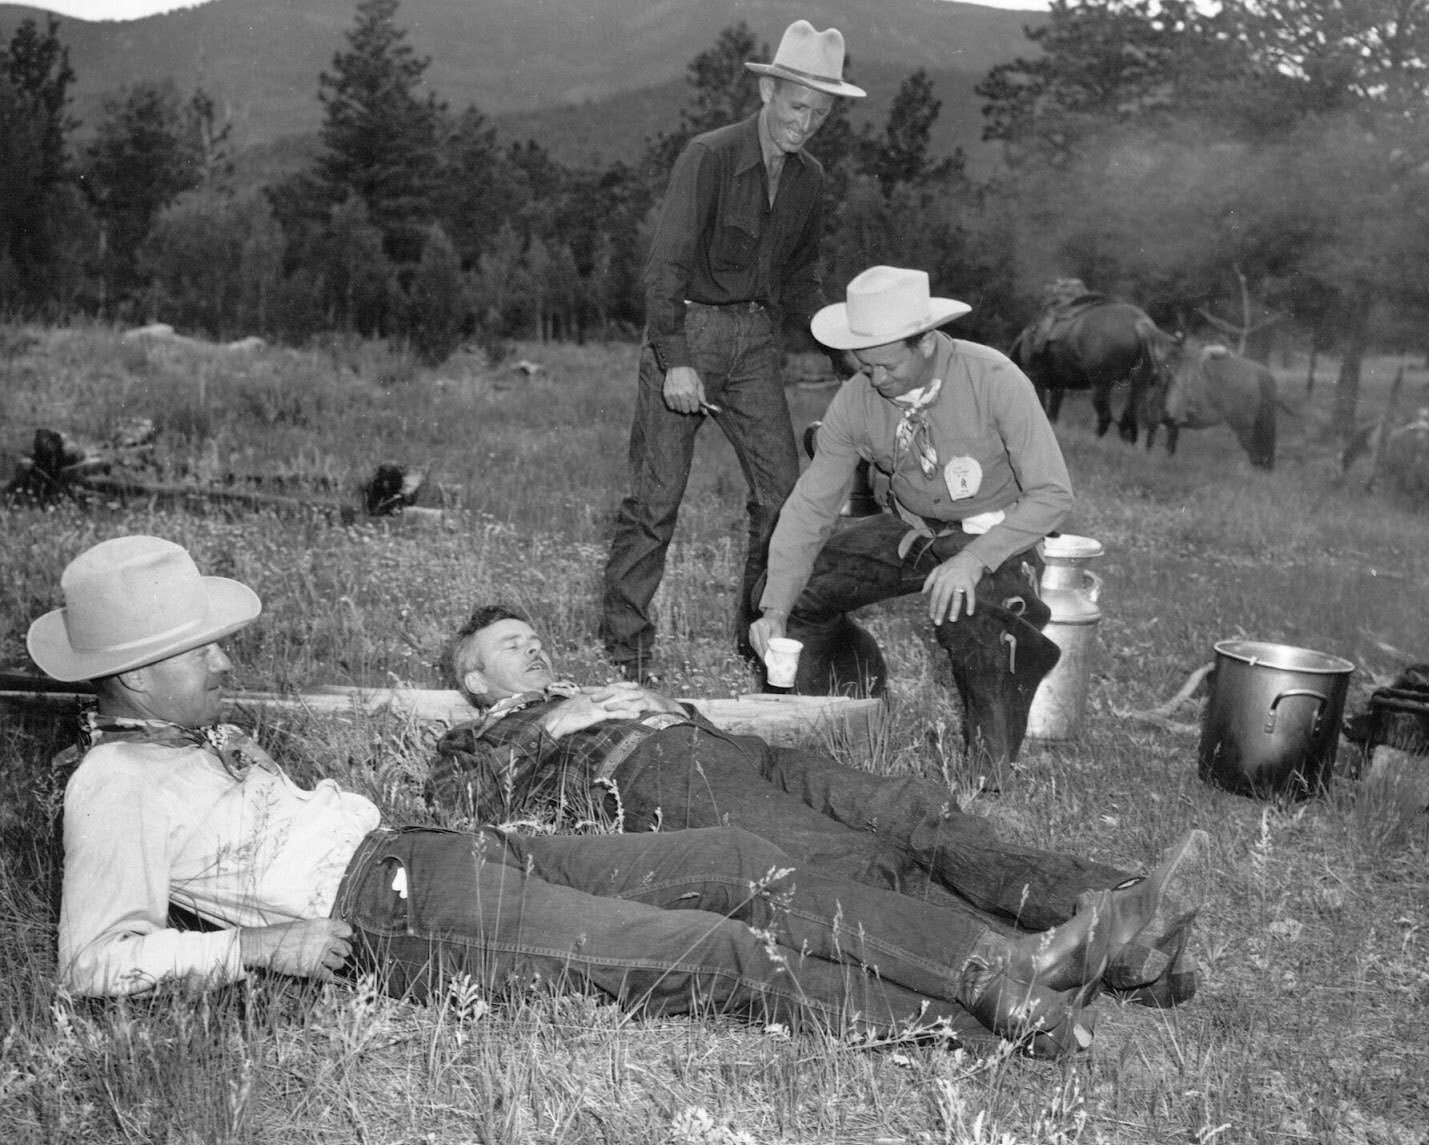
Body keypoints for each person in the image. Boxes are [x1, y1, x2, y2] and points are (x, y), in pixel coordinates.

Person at [32, 536, 1207, 1058]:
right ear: (131, 672)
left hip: (441, 849)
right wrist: (254, 950)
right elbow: (93, 959)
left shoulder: (180, 738)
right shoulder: (111, 783)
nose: (223, 658)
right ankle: (969, 1026)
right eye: (197, 648)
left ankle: (1003, 964)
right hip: (392, 910)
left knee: (746, 863)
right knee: (709, 953)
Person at [431, 603, 1204, 1006]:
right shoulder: (476, 739)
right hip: (655, 773)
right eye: (509, 645)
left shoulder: (592, 688)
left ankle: (1114, 910)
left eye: (533, 638)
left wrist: (662, 704)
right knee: (855, 862)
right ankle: (1046, 960)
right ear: (473, 683)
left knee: (911, 811)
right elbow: (472, 811)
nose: (533, 648)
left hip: (729, 749)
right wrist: (545, 733)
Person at [600, 20, 865, 680]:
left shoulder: (810, 179)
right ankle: (627, 653)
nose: (804, 124)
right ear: (769, 91)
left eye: (819, 114)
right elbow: (665, 267)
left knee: (784, 497)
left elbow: (801, 282)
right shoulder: (710, 156)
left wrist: (845, 351)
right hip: (689, 332)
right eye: (796, 106)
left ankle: (759, 641)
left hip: (755, 342)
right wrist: (676, 360)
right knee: (656, 501)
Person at [749, 266, 1073, 784]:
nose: (875, 380)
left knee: (975, 612)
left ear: (924, 341)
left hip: (995, 534)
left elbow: (1052, 494)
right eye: (863, 365)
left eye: (886, 365)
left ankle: (988, 774)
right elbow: (811, 506)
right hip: (912, 531)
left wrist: (972, 559)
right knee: (793, 591)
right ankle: (850, 708)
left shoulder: (994, 379)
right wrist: (774, 610)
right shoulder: (856, 399)